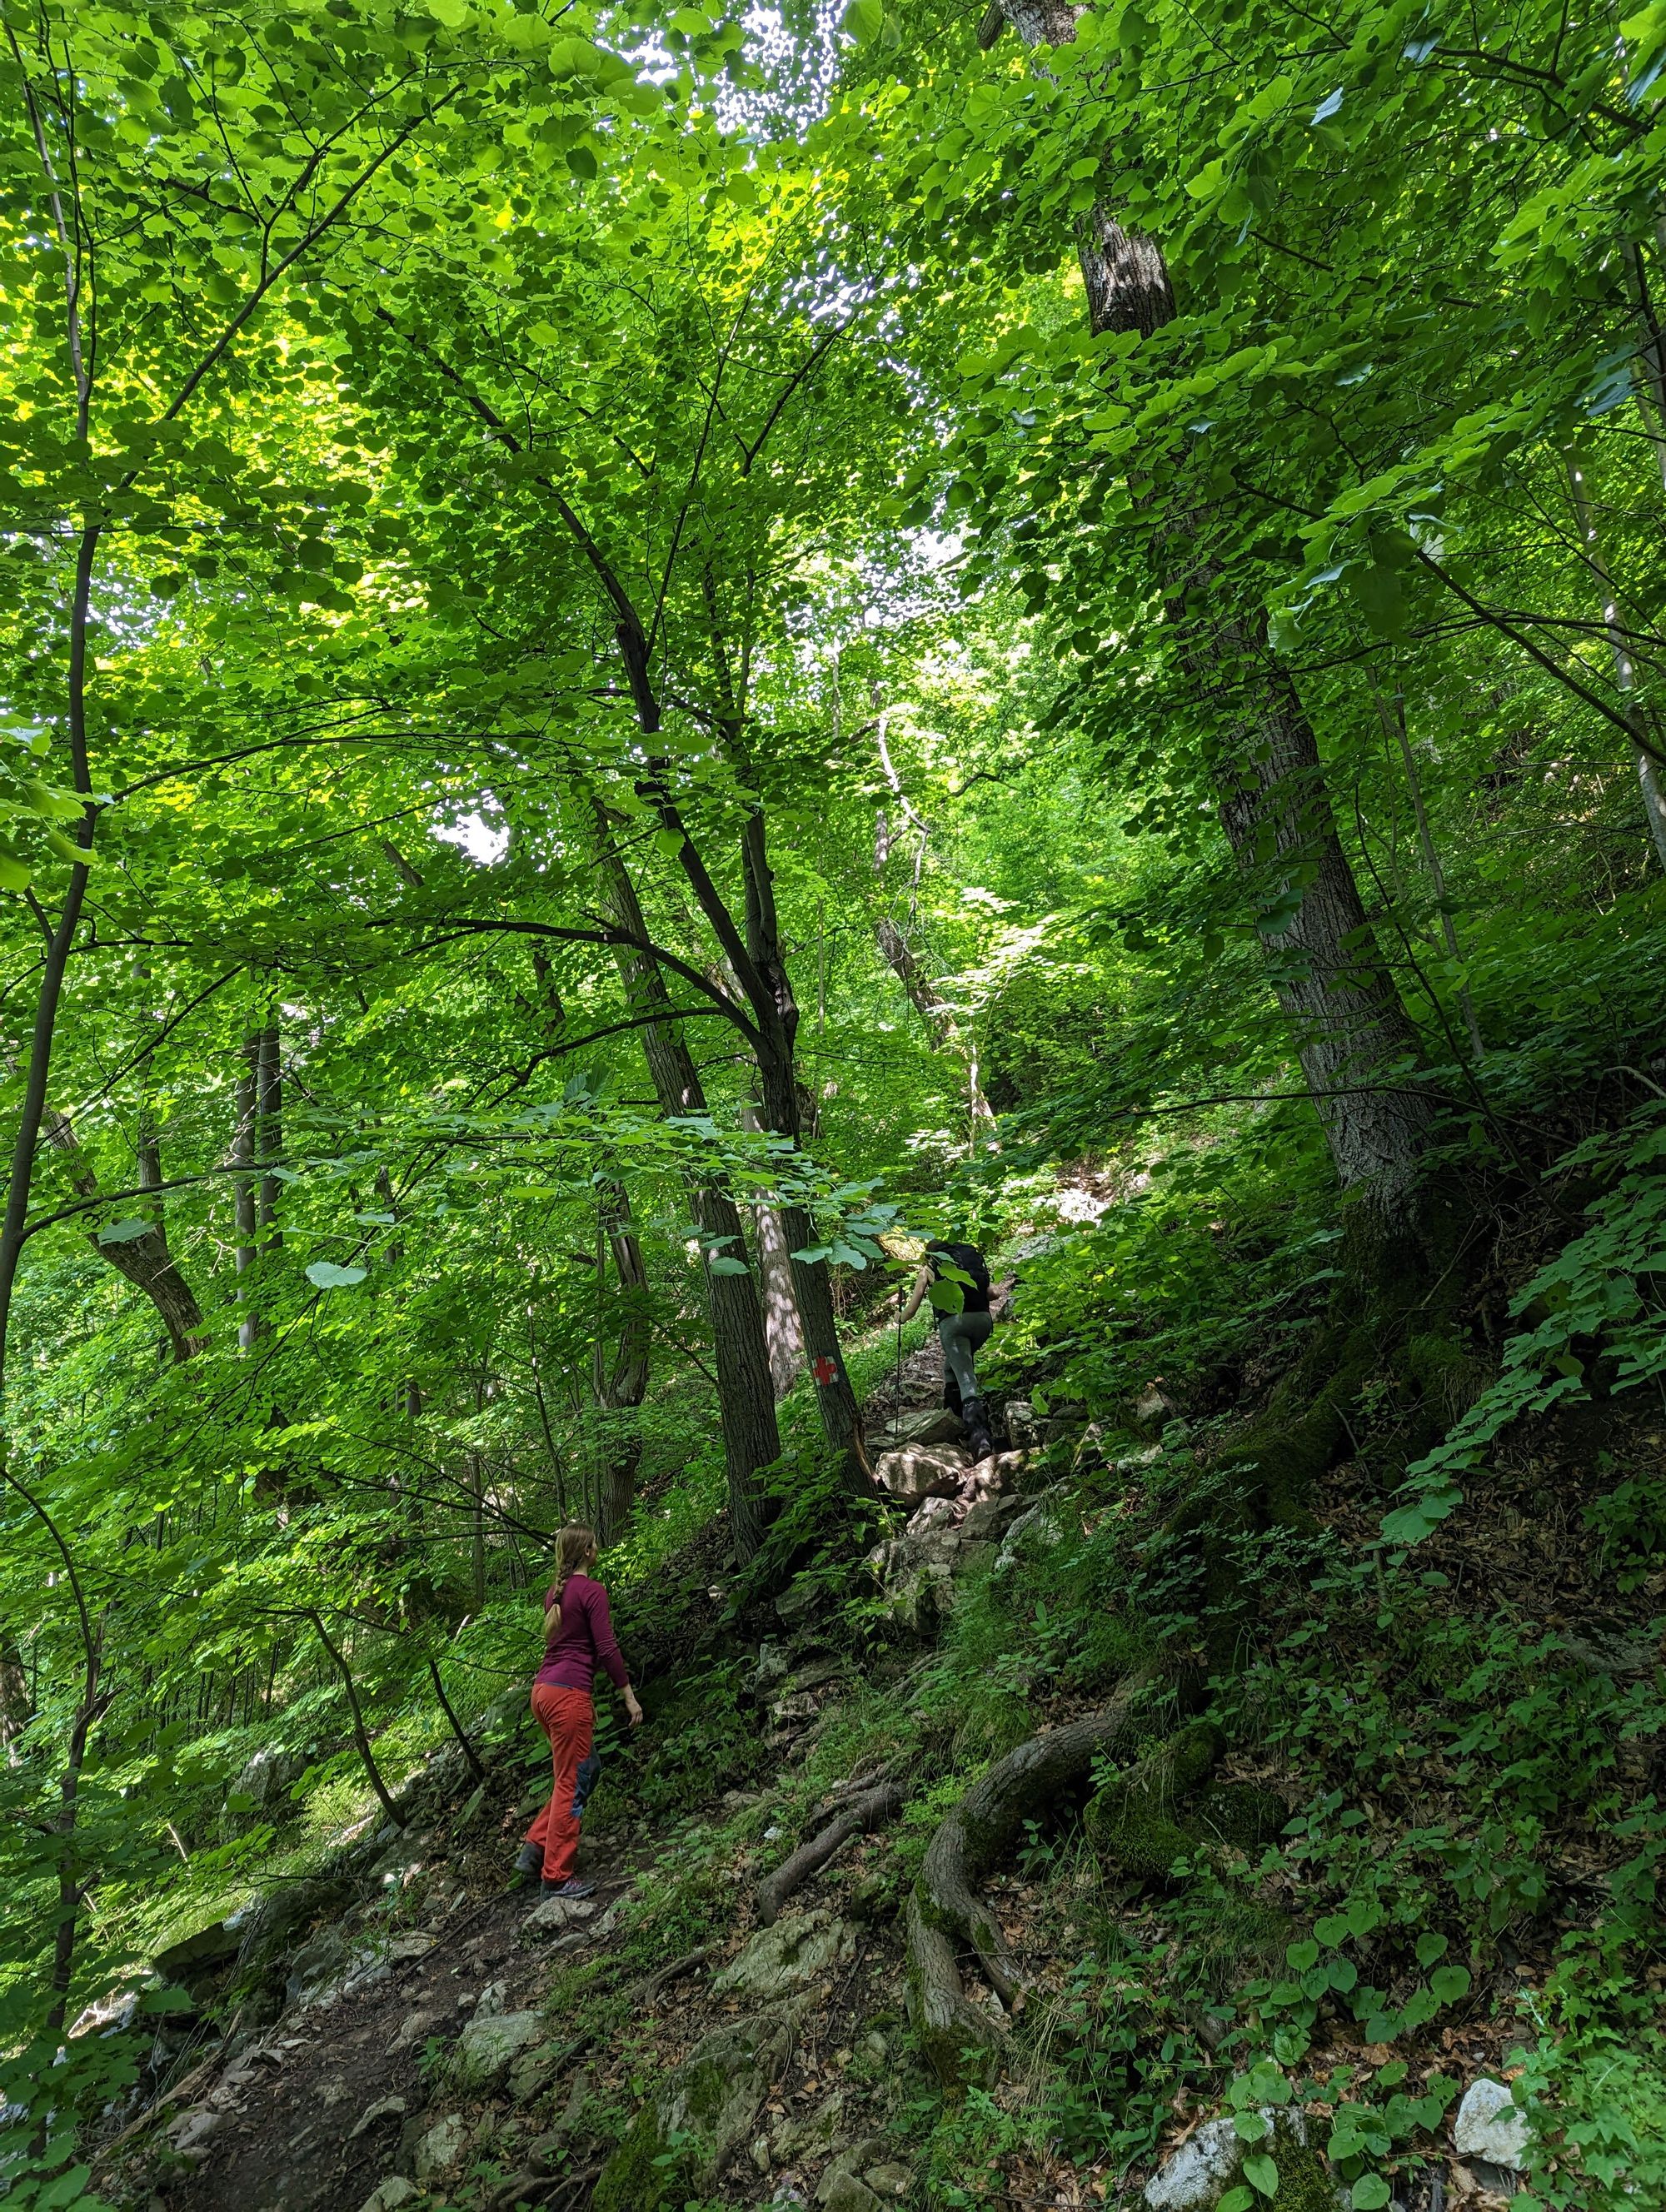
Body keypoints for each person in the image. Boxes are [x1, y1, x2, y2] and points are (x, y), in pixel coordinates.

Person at [513, 1524, 643, 1898]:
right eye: (594, 1544)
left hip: (543, 1692)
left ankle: (536, 1845)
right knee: (571, 1781)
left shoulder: (555, 1593)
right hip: (569, 1696)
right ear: (587, 1551)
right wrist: (628, 1695)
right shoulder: (591, 1590)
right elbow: (606, 1646)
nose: (598, 1548)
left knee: (587, 1768)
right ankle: (556, 1877)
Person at [900, 1238, 995, 1462]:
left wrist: (899, 1318)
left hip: (954, 1326)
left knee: (966, 1380)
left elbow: (911, 1310)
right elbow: (993, 1294)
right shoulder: (968, 1263)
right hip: (983, 1321)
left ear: (929, 1255)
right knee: (951, 1368)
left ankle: (980, 1439)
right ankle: (954, 1423)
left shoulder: (929, 1268)